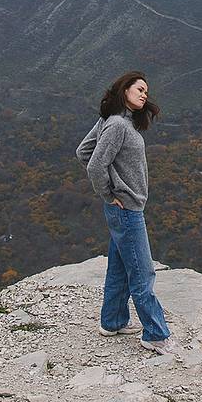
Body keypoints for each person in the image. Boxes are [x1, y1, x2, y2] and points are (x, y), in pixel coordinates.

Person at [76, 70, 176, 354]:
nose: (145, 94)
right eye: (139, 89)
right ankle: (155, 334)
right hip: (127, 208)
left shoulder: (113, 121)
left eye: (146, 91)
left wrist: (113, 188)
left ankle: (113, 321)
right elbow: (94, 164)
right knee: (143, 273)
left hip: (125, 208)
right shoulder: (118, 125)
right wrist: (110, 193)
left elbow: (83, 152)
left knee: (120, 268)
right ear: (125, 91)